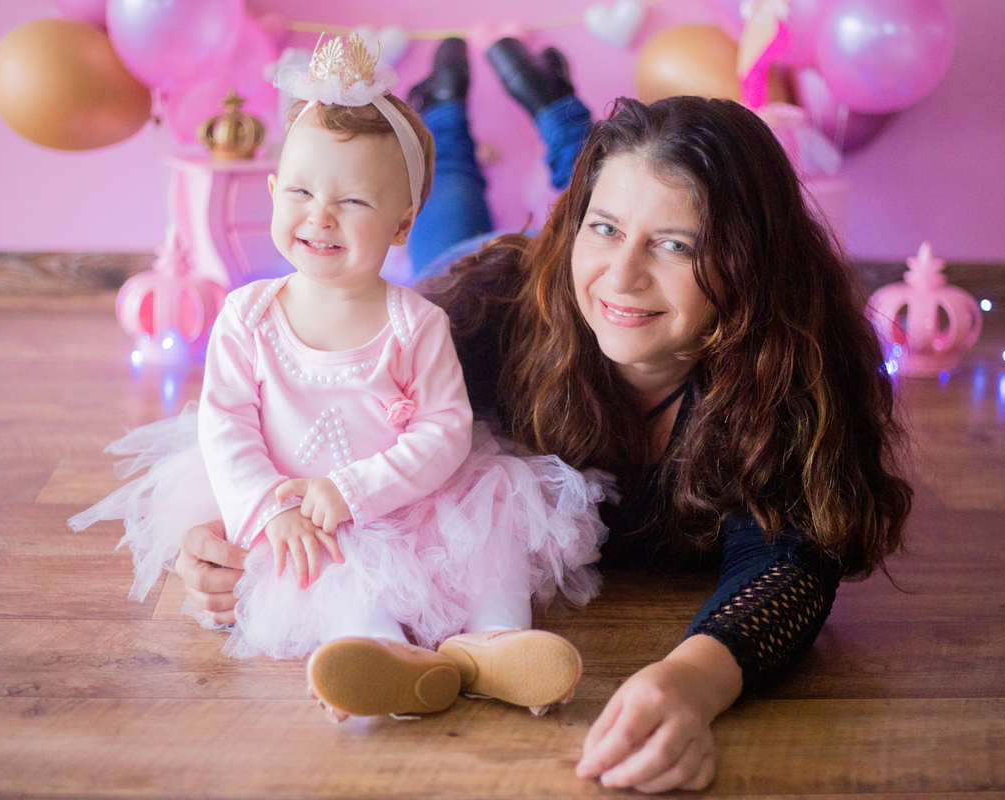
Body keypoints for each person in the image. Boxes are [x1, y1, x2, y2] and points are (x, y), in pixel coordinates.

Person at [175, 38, 912, 792]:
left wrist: (690, 680)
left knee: (618, 180)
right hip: (482, 264)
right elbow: (306, 416)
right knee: (449, 206)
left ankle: (554, 105)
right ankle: (452, 116)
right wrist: (228, 531)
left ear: (750, 263)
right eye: (604, 229)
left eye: (675, 245)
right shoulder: (479, 320)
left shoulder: (790, 368)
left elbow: (792, 558)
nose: (623, 276)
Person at [71, 34, 612, 723]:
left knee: (497, 514)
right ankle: (375, 654)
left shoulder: (414, 323)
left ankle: (498, 638)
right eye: (300, 190)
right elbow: (227, 420)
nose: (320, 215)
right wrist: (273, 505)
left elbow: (445, 430)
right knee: (330, 568)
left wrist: (354, 488)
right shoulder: (249, 315)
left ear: (401, 225)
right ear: (273, 190)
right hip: (300, 511)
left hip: (411, 498)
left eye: (354, 202)